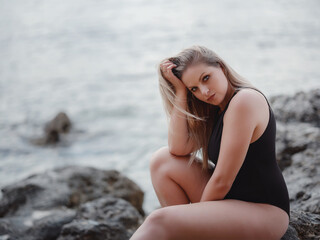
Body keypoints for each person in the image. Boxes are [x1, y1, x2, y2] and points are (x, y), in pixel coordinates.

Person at [130, 46, 290, 240]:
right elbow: (177, 148)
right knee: (161, 161)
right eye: (194, 89)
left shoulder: (244, 101)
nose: (204, 92)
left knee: (159, 220)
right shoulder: (215, 109)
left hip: (265, 212)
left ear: (221, 67)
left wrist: (191, 218)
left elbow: (222, 181)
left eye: (206, 78)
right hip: (231, 201)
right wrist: (181, 92)